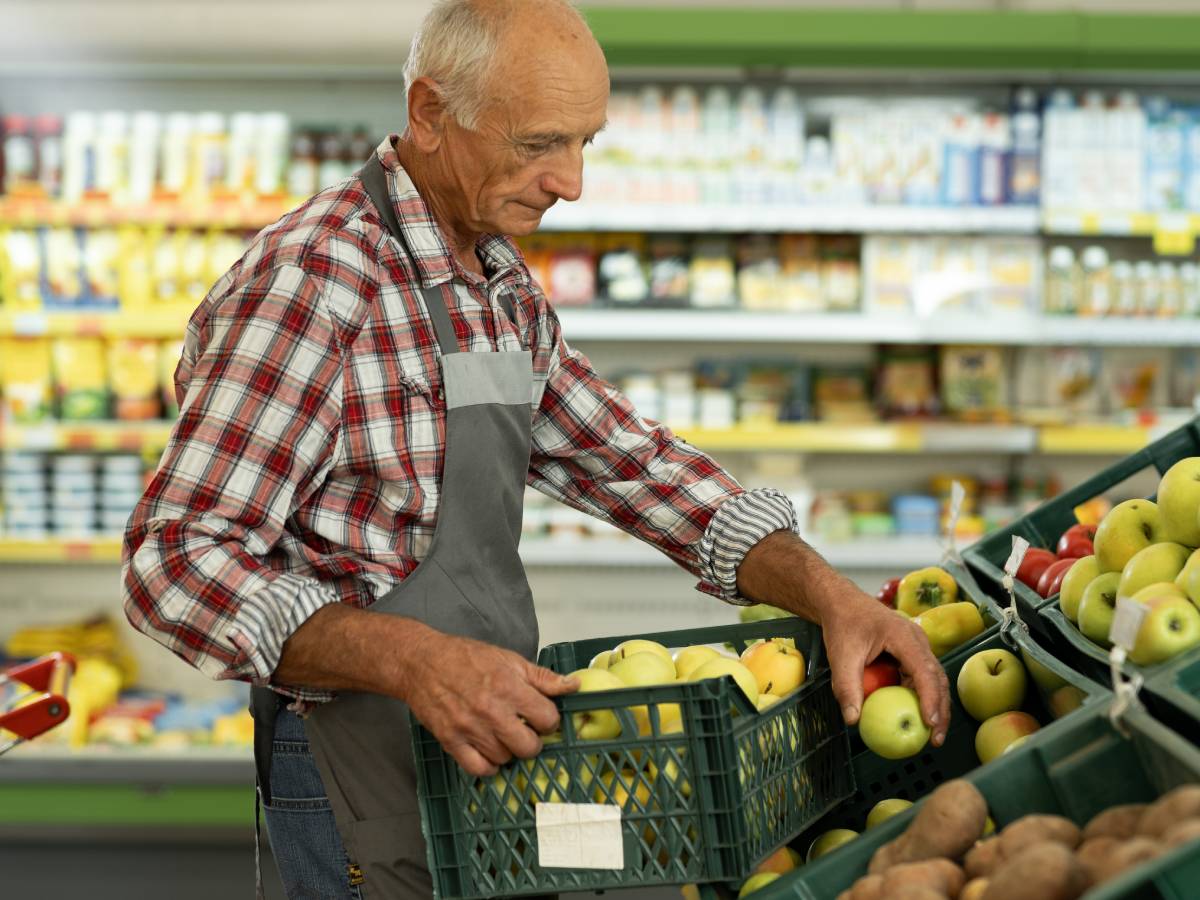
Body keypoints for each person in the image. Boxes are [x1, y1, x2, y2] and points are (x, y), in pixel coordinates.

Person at [121, 1, 950, 896]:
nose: (571, 182)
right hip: (351, 758)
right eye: (539, 144)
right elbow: (174, 560)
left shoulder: (497, 280)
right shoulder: (318, 281)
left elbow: (638, 467)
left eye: (586, 142)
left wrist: (828, 595)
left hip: (481, 732)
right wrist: (418, 661)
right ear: (431, 113)